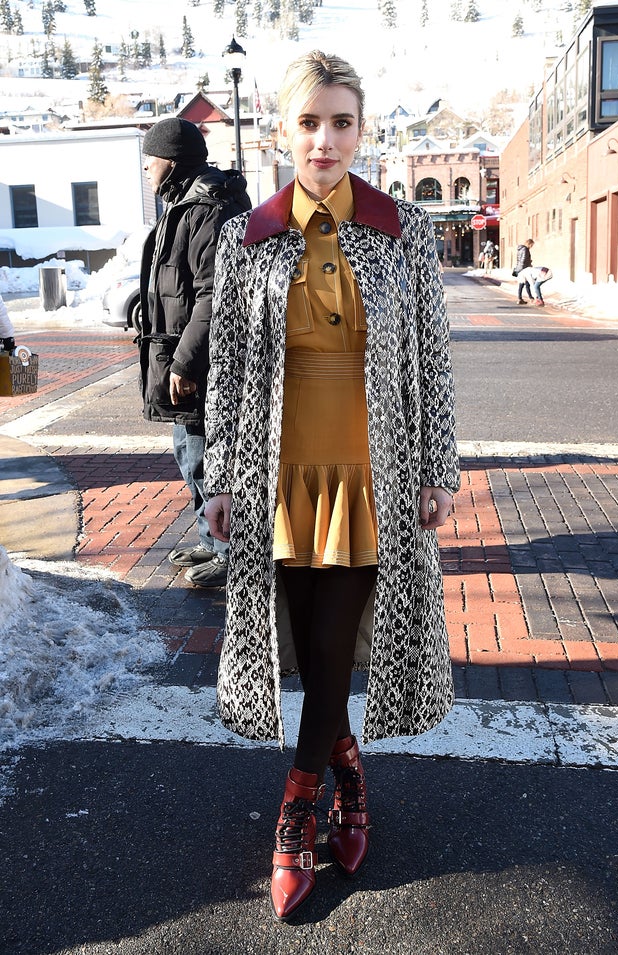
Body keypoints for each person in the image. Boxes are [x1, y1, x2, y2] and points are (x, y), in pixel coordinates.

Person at [203, 51, 459, 922]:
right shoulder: (251, 238)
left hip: (373, 474)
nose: (325, 139)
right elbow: (233, 372)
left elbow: (431, 362)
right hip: (279, 475)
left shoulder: (403, 231)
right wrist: (220, 477)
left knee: (336, 650)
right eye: (309, 121)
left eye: (342, 121)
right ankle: (349, 774)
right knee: (312, 657)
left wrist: (436, 469)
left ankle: (295, 811)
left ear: (362, 129)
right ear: (284, 129)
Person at [138, 118, 251, 588]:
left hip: (202, 362)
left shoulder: (208, 208)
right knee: (189, 452)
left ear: (172, 160)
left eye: (151, 161)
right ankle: (212, 539)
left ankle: (232, 553)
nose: (146, 170)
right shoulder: (184, 204)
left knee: (207, 455)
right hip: (178, 354)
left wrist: (185, 361)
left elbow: (214, 294)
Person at [514, 238, 535, 304]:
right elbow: (524, 259)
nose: (532, 246)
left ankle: (520, 298)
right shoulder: (525, 249)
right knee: (527, 284)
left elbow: (519, 259)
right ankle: (531, 298)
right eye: (531, 245)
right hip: (524, 268)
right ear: (529, 244)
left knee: (522, 284)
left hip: (520, 268)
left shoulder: (520, 249)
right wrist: (528, 265)